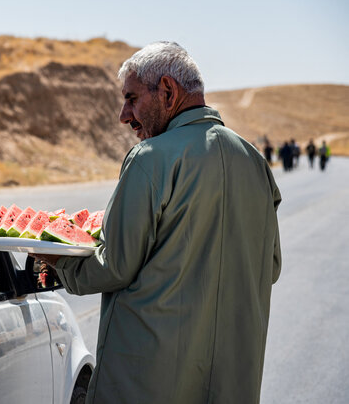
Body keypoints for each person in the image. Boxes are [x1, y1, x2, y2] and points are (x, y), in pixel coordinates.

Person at [33, 42, 281, 404]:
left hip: (147, 383)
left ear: (167, 91)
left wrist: (57, 259)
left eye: (131, 98)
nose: (124, 114)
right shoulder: (255, 163)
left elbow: (112, 267)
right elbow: (269, 267)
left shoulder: (149, 159)